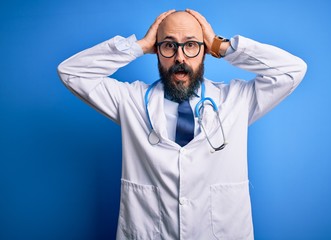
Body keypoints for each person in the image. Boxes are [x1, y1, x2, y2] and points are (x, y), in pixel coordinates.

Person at [58, 9, 307, 240]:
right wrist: (137, 46)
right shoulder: (130, 101)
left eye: (190, 45)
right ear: (156, 50)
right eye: (168, 45)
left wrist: (223, 46)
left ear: (205, 50)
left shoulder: (237, 100)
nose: (180, 57)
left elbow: (292, 71)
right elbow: (71, 72)